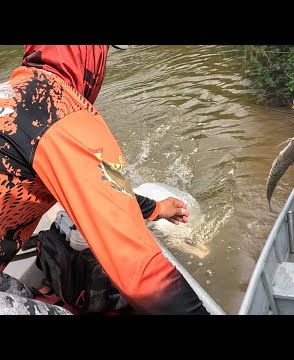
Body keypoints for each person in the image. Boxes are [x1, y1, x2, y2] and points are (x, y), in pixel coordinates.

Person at [0, 45, 209, 314]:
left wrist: (158, 209)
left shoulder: (12, 92)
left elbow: (103, 190)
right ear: (93, 56)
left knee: (27, 296)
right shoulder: (63, 116)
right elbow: (142, 275)